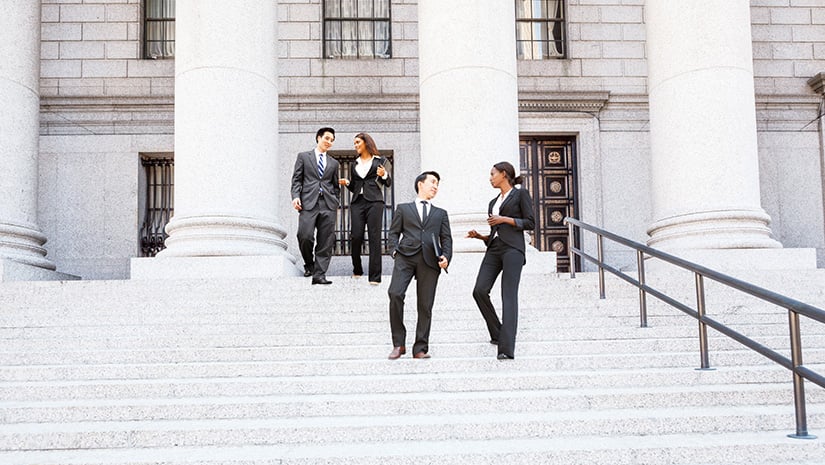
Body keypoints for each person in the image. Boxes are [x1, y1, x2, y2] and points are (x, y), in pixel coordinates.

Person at [467, 161, 535, 360]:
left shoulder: (520, 194)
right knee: (479, 290)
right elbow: (495, 231)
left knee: (508, 295)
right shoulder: (493, 202)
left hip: (513, 249)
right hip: (494, 248)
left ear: (504, 174)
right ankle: (497, 333)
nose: (490, 178)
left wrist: (504, 219)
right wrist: (480, 237)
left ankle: (506, 348)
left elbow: (530, 222)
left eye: (492, 174)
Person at [386, 171, 452, 360]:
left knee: (425, 304)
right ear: (420, 184)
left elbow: (446, 239)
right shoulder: (403, 209)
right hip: (405, 257)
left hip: (430, 261)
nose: (435, 186)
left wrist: (446, 257)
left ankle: (420, 348)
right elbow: (393, 233)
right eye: (432, 182)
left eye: (437, 184)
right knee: (395, 293)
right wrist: (394, 251)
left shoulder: (441, 213)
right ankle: (399, 344)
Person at [338, 133, 392, 285]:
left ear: (366, 143)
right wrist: (348, 183)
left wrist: (384, 174)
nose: (355, 145)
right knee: (356, 236)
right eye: (354, 143)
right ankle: (357, 268)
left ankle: (375, 277)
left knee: (375, 237)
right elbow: (355, 187)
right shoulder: (353, 164)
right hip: (358, 203)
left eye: (358, 142)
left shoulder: (379, 161)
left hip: (375, 202)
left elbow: (388, 183)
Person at [291, 127, 340, 285]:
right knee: (304, 235)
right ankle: (309, 264)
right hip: (308, 202)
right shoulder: (304, 157)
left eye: (332, 140)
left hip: (328, 204)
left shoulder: (334, 163)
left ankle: (319, 274)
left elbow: (335, 185)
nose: (329, 142)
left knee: (326, 240)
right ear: (318, 138)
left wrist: (336, 201)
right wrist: (296, 196)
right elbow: (297, 179)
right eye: (327, 138)